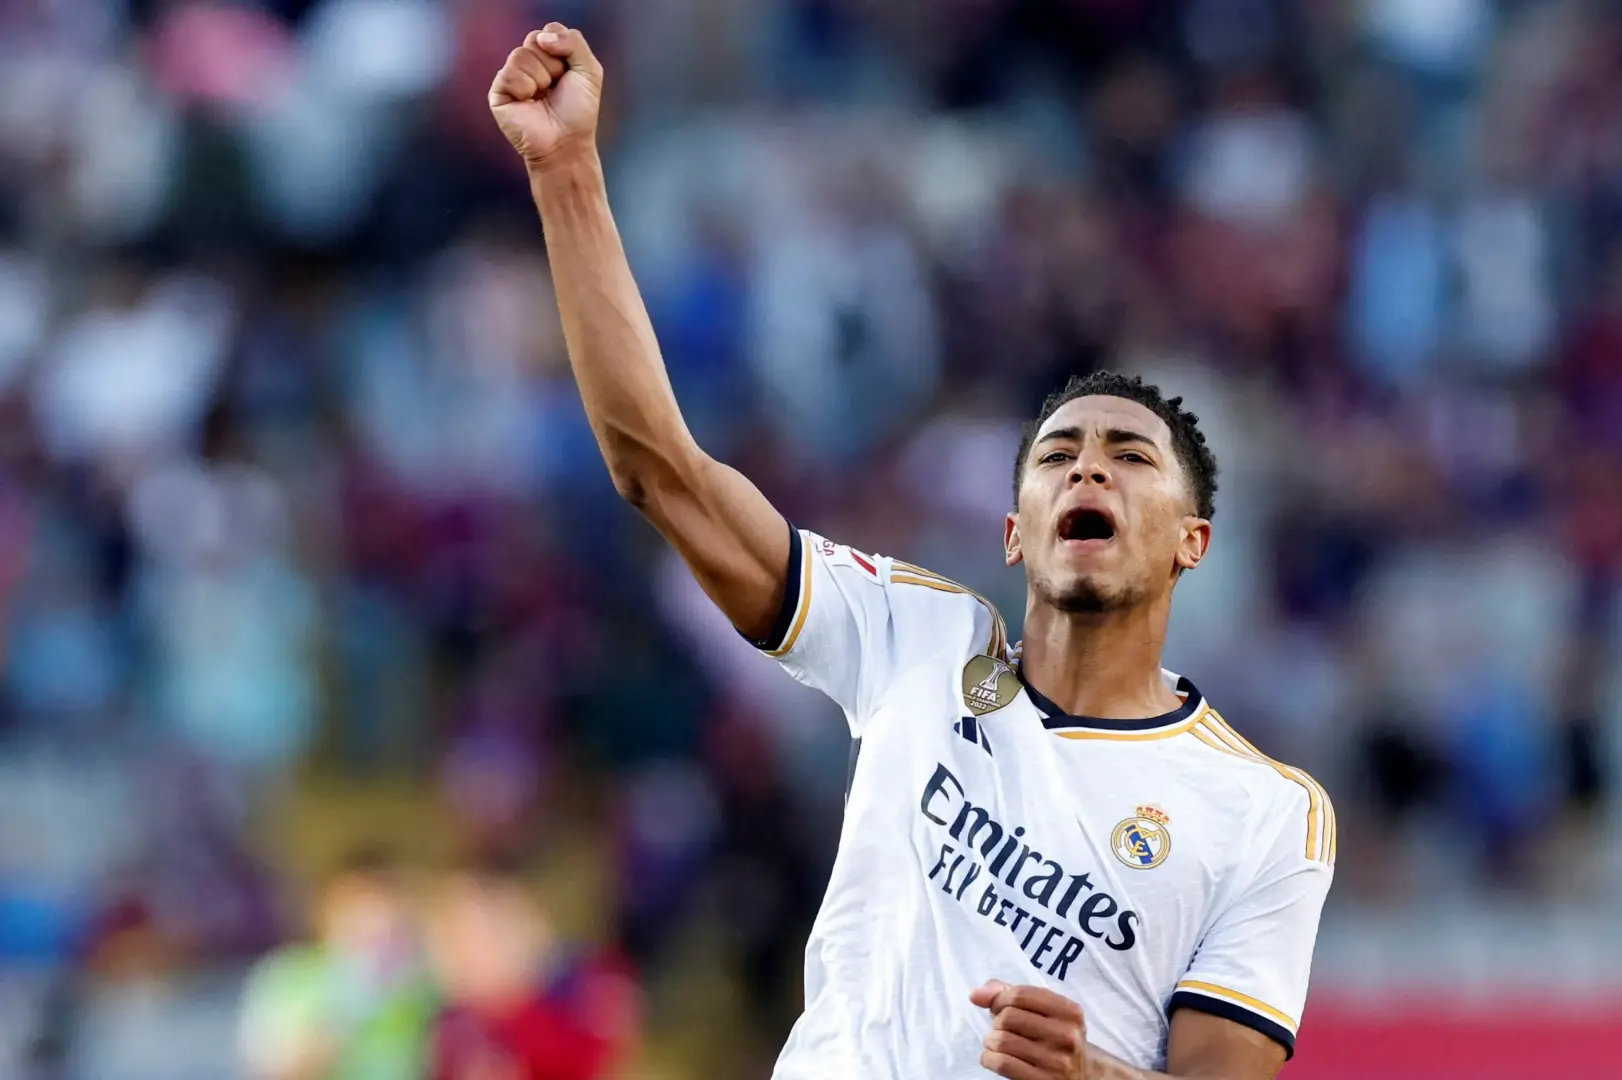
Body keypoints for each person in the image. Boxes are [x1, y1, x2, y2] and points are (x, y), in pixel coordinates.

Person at [487, 24, 1336, 1079]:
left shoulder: (1264, 813)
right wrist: (566, 172)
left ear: (1191, 543)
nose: (1088, 471)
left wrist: (1090, 1075)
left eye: (1130, 458)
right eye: (1058, 456)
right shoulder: (918, 638)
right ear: (1014, 532)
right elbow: (661, 471)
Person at [424, 855, 638, 1080]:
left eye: (484, 934)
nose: (469, 951)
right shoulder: (453, 1023)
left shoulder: (576, 995)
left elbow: (591, 1060)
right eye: (457, 937)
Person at [235, 848, 434, 1080]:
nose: (378, 922)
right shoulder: (290, 977)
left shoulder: (423, 981)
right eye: (359, 908)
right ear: (326, 910)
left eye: (386, 906)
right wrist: (341, 1015)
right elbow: (272, 1071)